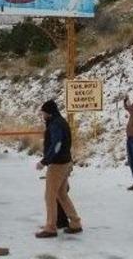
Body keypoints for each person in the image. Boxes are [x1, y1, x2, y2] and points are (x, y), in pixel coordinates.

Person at [35, 100, 82, 238]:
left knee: (49, 195)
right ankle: (75, 222)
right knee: (61, 194)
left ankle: (50, 227)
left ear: (48, 113)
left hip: (58, 164)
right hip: (65, 162)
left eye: (43, 112)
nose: (42, 115)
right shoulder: (59, 121)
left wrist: (45, 161)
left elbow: (57, 144)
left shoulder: (55, 124)